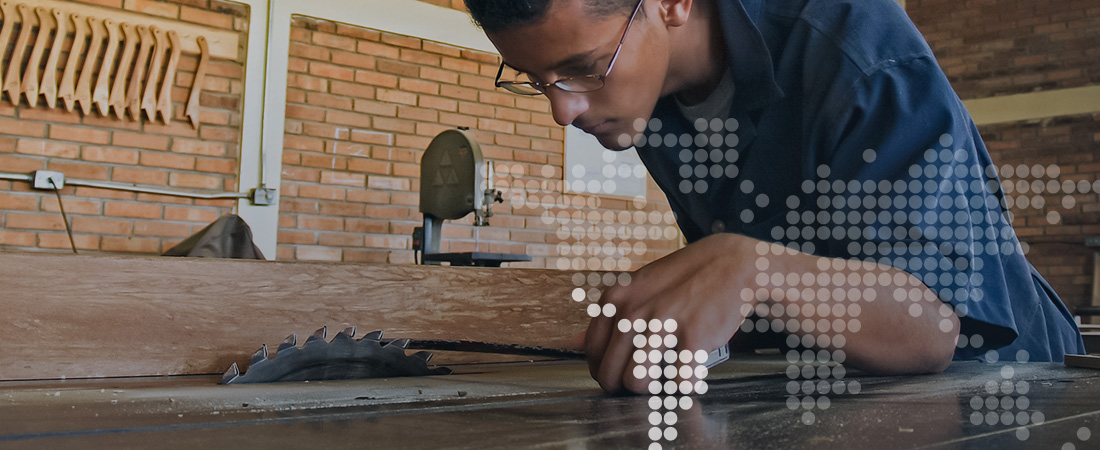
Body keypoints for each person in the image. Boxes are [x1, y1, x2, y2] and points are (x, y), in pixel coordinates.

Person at [463, 0, 1085, 394]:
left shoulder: (857, 47)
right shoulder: (639, 97)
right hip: (836, 389)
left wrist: (751, 268)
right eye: (535, 80)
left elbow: (928, 328)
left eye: (583, 68)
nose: (562, 110)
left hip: (1007, 388)